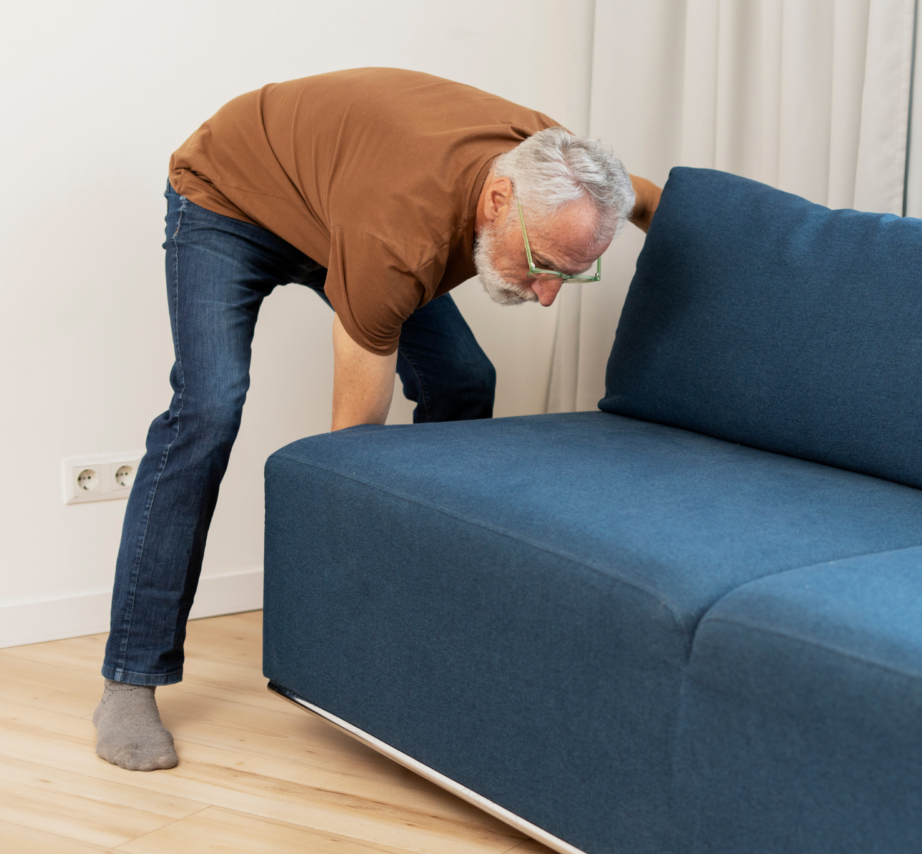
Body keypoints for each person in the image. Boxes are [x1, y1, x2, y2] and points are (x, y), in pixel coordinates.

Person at [93, 68, 663, 771]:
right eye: (544, 263)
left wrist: (717, 243)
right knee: (207, 411)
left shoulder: (561, 166)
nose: (548, 296)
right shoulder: (401, 232)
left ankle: (425, 611)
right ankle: (130, 677)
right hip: (230, 195)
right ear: (497, 199)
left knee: (463, 381)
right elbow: (350, 456)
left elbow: (642, 197)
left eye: (572, 274)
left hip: (340, 195)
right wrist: (343, 606)